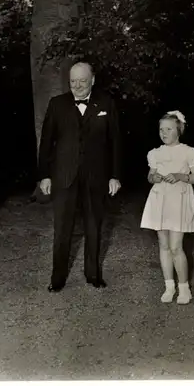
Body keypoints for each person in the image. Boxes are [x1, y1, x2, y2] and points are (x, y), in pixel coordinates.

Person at [38, 62, 121, 292]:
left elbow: (115, 142)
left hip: (97, 177)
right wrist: (44, 175)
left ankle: (93, 274)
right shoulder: (57, 104)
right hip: (64, 176)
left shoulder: (106, 103)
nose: (77, 85)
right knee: (62, 229)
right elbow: (46, 142)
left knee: (94, 226)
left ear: (92, 80)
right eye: (73, 81)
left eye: (82, 81)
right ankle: (57, 278)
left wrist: (115, 175)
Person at [140, 111, 194, 304]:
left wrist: (181, 176)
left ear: (179, 130)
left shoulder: (189, 152)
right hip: (160, 200)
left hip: (178, 200)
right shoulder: (155, 153)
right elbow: (150, 176)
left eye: (169, 129)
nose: (164, 133)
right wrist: (155, 177)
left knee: (176, 247)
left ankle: (184, 288)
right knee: (164, 245)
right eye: (161, 129)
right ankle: (169, 286)